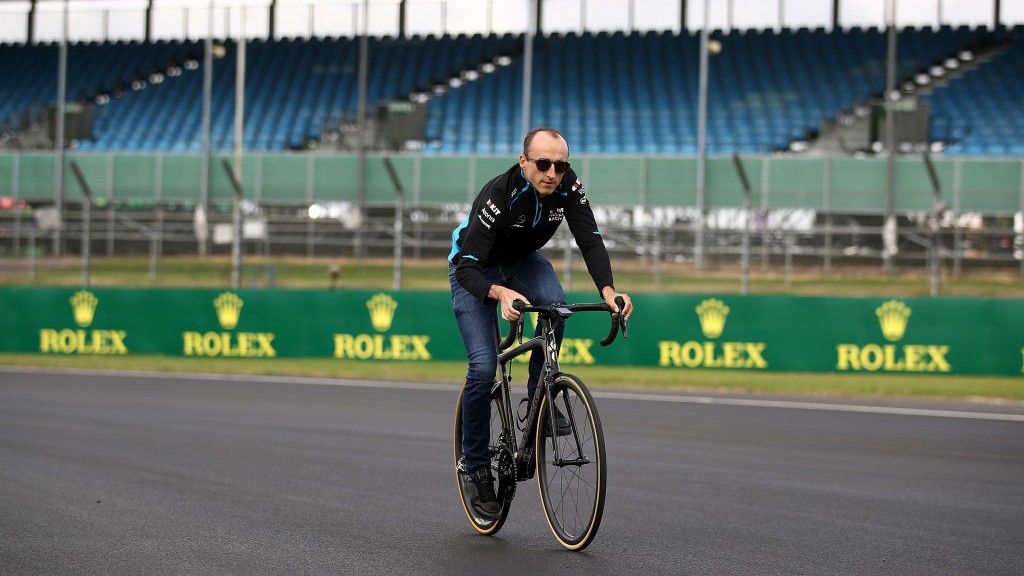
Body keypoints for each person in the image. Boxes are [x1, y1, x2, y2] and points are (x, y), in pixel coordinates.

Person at [448, 127, 634, 520]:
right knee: (482, 368)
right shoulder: (499, 195)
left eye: (561, 165)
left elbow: (590, 238)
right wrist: (499, 294)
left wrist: (608, 291)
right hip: (476, 270)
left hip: (523, 263)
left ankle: (540, 399)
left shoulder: (568, 187)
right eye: (543, 163)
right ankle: (475, 466)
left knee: (555, 306)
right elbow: (467, 268)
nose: (552, 172)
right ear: (524, 161)